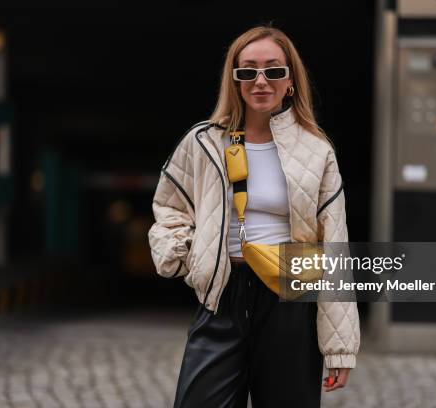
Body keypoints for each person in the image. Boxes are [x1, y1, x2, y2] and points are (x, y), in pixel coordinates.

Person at [148, 25, 360, 408]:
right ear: (234, 80)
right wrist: (187, 253)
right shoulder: (203, 141)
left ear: (290, 80)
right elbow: (169, 207)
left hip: (290, 301)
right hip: (222, 297)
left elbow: (335, 249)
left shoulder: (316, 152)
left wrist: (339, 348)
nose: (260, 81)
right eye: (247, 71)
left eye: (274, 70)